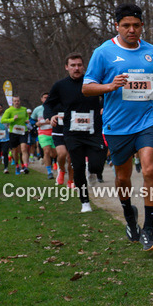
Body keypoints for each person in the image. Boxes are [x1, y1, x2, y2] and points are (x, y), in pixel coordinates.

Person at [82, 3, 153, 251]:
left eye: (136, 25)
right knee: (123, 178)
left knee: (150, 170)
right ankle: (130, 218)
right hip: (117, 125)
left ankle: (149, 230)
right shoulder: (103, 52)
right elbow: (87, 87)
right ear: (117, 26)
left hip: (147, 120)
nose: (131, 30)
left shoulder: (151, 50)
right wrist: (109, 86)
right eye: (126, 25)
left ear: (142, 25)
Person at [46, 53, 107, 213]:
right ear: (67, 67)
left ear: (84, 66)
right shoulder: (60, 86)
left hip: (93, 131)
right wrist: (51, 116)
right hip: (72, 133)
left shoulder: (92, 83)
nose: (76, 68)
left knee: (97, 163)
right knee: (78, 167)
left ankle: (93, 171)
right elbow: (48, 104)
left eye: (79, 65)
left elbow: (108, 96)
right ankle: (85, 202)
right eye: (73, 65)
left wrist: (103, 107)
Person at [1, 96, 30, 174]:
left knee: (24, 148)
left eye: (18, 101)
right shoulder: (9, 110)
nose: (17, 102)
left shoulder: (24, 109)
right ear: (12, 102)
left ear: (20, 101)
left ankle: (25, 166)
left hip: (23, 131)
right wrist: (12, 119)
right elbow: (3, 120)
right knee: (15, 151)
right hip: (13, 132)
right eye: (15, 101)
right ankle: (17, 165)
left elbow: (26, 117)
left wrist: (27, 120)